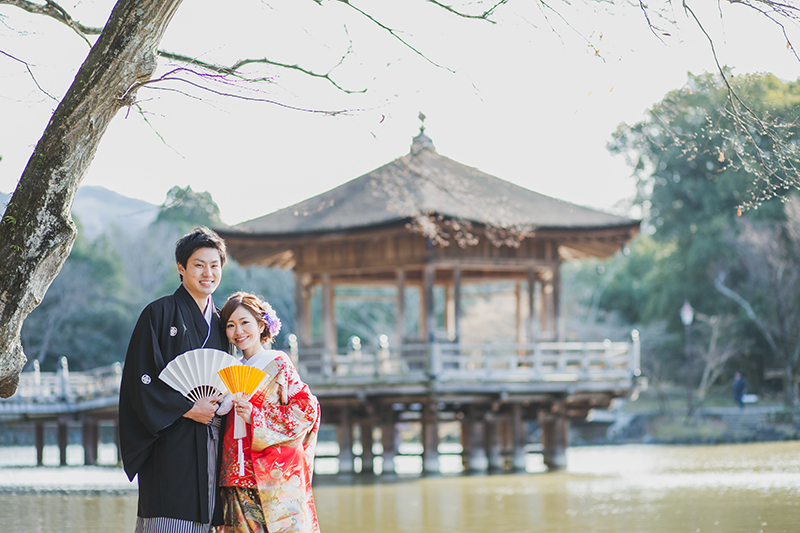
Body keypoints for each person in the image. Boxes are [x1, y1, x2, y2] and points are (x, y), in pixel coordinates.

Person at [119, 227, 232, 533]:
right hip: (171, 440)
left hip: (212, 440)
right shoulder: (158, 314)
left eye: (214, 265)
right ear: (181, 268)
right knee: (169, 516)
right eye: (199, 265)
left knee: (209, 515)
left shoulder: (223, 323)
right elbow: (139, 381)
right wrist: (188, 408)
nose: (208, 273)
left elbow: (232, 380)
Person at [216, 292, 321, 533]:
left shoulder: (278, 363)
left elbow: (306, 410)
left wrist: (256, 416)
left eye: (245, 322)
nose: (238, 331)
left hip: (269, 473)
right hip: (233, 473)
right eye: (230, 325)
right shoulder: (229, 369)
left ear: (261, 325)